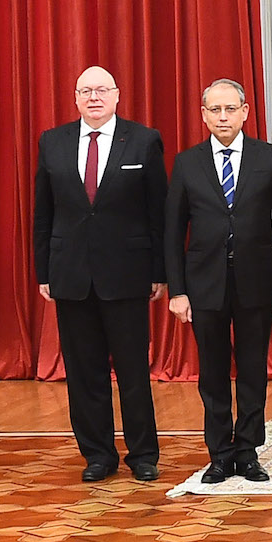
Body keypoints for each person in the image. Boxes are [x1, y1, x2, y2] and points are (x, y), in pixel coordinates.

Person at [34, 66, 168, 483]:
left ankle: (143, 454)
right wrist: (44, 270)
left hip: (127, 275)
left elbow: (158, 213)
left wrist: (159, 272)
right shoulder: (52, 142)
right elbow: (43, 213)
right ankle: (97, 454)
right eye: (85, 91)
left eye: (101, 90)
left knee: (131, 370)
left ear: (117, 95)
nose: (94, 97)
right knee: (83, 372)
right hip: (70, 274)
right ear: (75, 98)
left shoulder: (143, 140)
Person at [167, 78, 272, 485]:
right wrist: (177, 290)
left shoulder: (268, 157)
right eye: (214, 111)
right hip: (204, 285)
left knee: (254, 369)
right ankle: (219, 453)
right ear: (204, 115)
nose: (223, 117)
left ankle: (247, 450)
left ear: (245, 112)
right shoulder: (188, 162)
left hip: (257, 284)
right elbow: (172, 231)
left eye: (230, 109)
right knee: (213, 371)